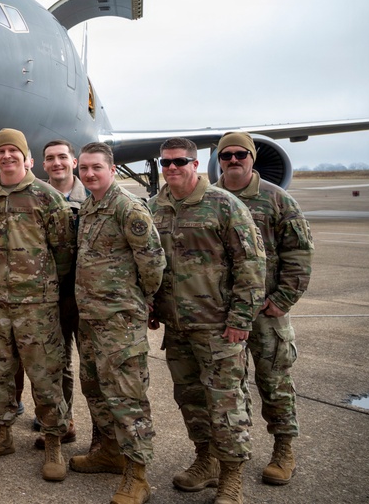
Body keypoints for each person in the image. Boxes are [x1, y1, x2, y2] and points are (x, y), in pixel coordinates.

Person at [149, 137, 265, 504]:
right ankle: (206, 460)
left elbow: (251, 265)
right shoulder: (156, 207)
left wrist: (241, 318)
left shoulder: (223, 205)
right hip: (178, 328)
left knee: (227, 403)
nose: (171, 168)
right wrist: (153, 305)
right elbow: (151, 264)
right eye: (165, 163)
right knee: (190, 399)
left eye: (179, 161)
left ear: (196, 164)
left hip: (219, 328)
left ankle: (232, 478)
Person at [0, 128, 76, 482]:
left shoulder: (46, 197)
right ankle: (2, 435)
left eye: (14, 150)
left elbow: (63, 250)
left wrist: (43, 286)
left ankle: (53, 440)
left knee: (45, 375)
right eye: (2, 151)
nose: (7, 156)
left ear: (24, 154)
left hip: (37, 305)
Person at [215, 131, 313, 487]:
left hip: (266, 313)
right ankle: (228, 453)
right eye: (227, 155)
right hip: (223, 313)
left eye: (241, 154)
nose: (234, 160)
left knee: (274, 382)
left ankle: (284, 448)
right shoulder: (210, 198)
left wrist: (283, 300)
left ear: (252, 158)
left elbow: (299, 254)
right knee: (228, 388)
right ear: (219, 159)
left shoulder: (277, 200)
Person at [69, 142, 165, 504]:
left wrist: (138, 302)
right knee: (95, 388)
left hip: (120, 323)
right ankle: (109, 452)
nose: (90, 173)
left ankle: (137, 475)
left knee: (127, 397)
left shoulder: (127, 208)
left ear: (111, 169)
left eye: (97, 167)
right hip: (91, 319)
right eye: (85, 168)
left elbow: (153, 263)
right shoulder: (91, 207)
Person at [33, 139, 87, 448]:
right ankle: (64, 422)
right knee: (58, 363)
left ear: (73, 161)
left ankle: (105, 440)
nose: (57, 163)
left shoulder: (93, 197)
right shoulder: (37, 198)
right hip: (52, 296)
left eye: (62, 157)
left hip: (87, 296)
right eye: (50, 158)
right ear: (43, 165)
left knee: (94, 368)